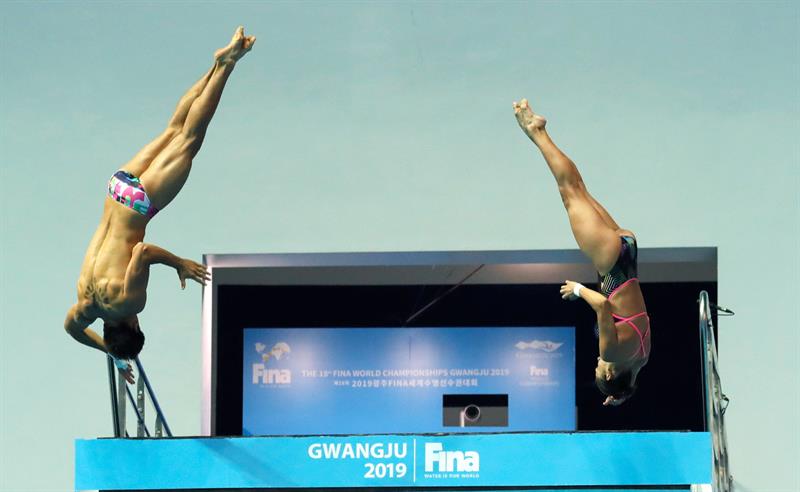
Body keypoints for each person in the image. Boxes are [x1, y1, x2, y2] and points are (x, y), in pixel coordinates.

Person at [64, 27, 256, 383]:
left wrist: (179, 264)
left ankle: (227, 65)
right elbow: (71, 330)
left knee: (188, 139)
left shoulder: (127, 304)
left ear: (134, 325)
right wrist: (110, 353)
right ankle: (215, 65)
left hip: (138, 205)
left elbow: (143, 252)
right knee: (172, 130)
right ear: (107, 332)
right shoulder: (86, 307)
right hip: (115, 191)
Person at [513, 98, 650, 406]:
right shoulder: (612, 353)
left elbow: (628, 380)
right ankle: (538, 133)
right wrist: (577, 289)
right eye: (599, 370)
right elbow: (602, 306)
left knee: (580, 188)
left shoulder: (641, 357)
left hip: (627, 251)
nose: (598, 364)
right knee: (570, 192)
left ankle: (540, 133)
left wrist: (617, 395)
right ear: (611, 372)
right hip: (611, 265)